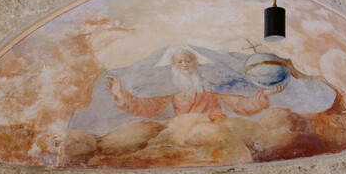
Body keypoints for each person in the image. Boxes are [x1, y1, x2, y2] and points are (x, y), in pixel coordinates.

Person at [106, 48, 284, 121]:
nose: (184, 65)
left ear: (195, 64)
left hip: (215, 130)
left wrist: (262, 96)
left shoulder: (209, 86)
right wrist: (120, 94)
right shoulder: (170, 89)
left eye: (187, 61)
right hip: (185, 133)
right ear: (174, 66)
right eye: (180, 62)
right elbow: (147, 106)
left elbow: (239, 104)